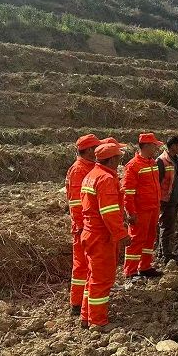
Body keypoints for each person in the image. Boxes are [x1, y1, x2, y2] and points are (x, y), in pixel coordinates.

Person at [79, 142, 130, 331]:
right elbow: (109, 212)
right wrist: (122, 234)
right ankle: (98, 321)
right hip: (101, 236)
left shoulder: (91, 175)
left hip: (90, 233)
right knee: (102, 279)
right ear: (112, 159)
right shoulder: (105, 178)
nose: (120, 161)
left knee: (92, 277)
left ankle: (86, 316)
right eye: (118, 158)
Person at [65, 133, 100, 316]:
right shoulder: (79, 170)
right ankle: (77, 303)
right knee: (81, 266)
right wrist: (81, 226)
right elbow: (76, 203)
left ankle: (84, 300)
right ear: (88, 150)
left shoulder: (89, 167)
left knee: (88, 265)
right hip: (83, 227)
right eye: (95, 148)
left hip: (89, 225)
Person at [121, 132, 164, 281]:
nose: (156, 148)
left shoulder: (152, 163)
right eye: (154, 145)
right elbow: (128, 192)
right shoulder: (133, 166)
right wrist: (130, 212)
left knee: (149, 238)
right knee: (136, 240)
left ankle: (144, 266)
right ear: (146, 146)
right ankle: (130, 272)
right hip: (140, 210)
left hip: (153, 208)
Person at [157, 136, 178, 263]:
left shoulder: (177, 160)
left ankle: (163, 252)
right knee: (166, 227)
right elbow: (158, 182)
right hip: (166, 199)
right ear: (173, 146)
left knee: (170, 227)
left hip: (175, 198)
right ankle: (165, 254)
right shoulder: (161, 160)